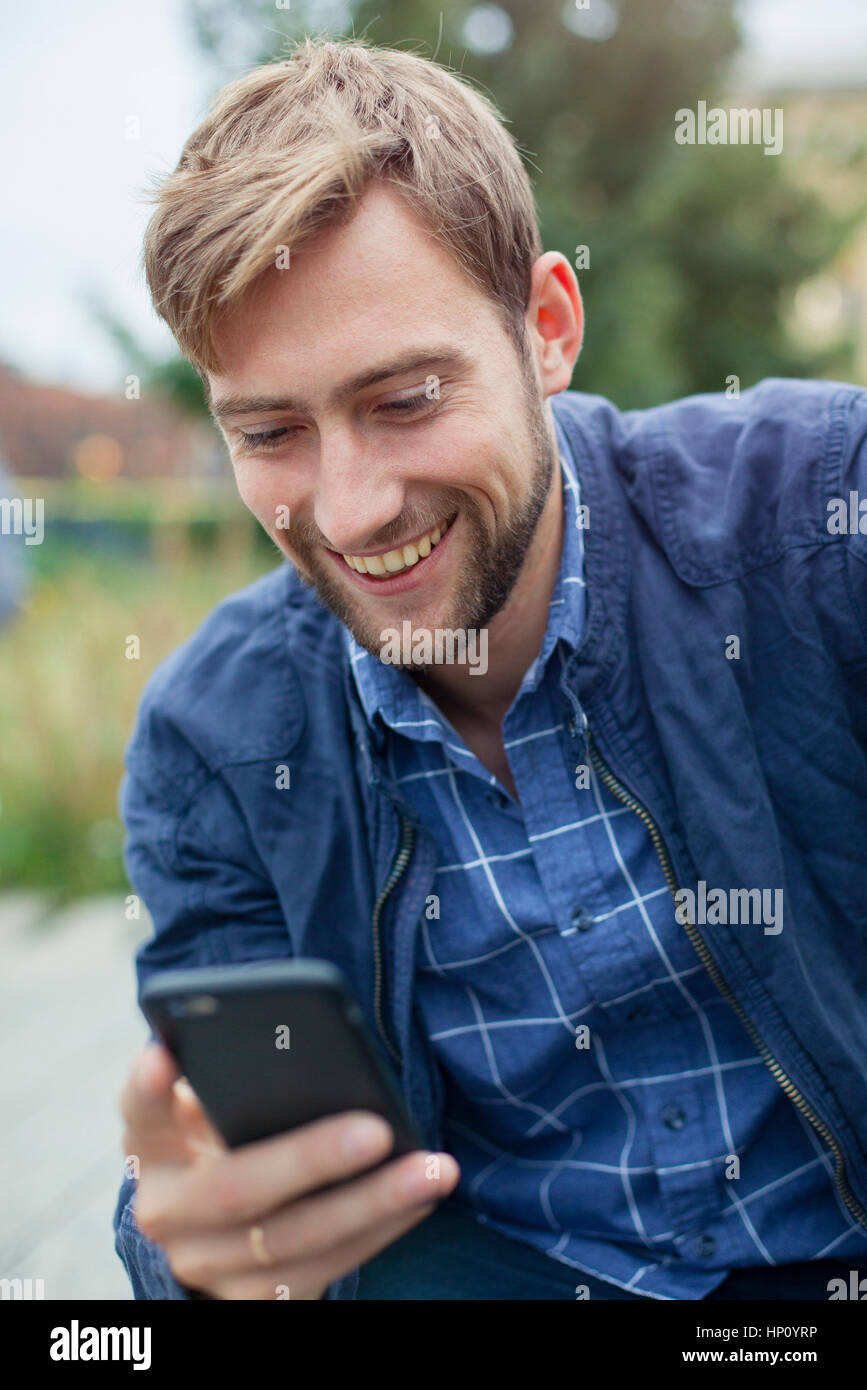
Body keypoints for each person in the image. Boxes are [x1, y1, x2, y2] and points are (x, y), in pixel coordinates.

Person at [115, 36, 867, 1301]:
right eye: (272, 433)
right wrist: (188, 1252)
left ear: (549, 328)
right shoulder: (215, 739)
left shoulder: (821, 521)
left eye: (405, 399)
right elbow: (224, 1166)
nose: (349, 511)